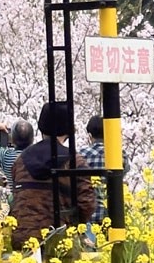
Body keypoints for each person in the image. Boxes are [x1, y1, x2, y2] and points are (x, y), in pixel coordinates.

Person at [9, 102, 97, 251]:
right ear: (69, 130)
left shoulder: (20, 161)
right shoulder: (75, 162)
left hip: (23, 242)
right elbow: (87, 205)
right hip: (60, 242)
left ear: (40, 127)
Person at [78, 115, 125, 228]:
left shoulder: (81, 154)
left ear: (90, 135)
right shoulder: (120, 154)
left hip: (88, 216)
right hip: (114, 215)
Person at [0, 118, 34, 190]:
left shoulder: (6, 156)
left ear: (12, 139)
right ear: (32, 139)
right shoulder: (40, 156)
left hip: (18, 199)